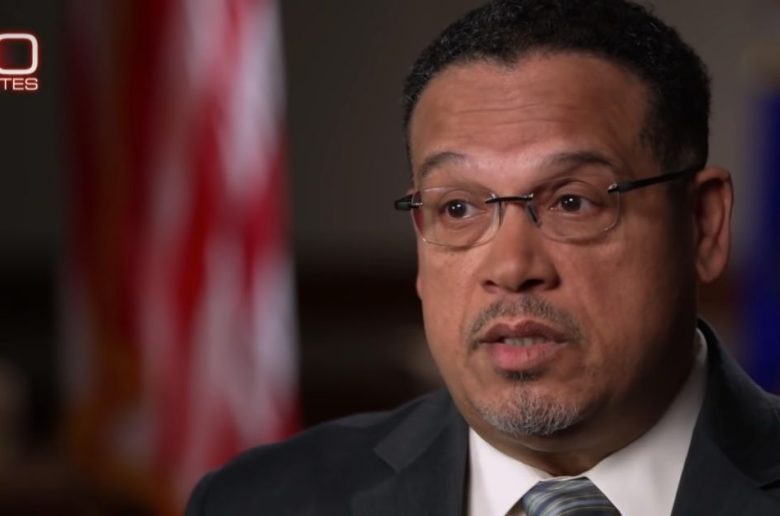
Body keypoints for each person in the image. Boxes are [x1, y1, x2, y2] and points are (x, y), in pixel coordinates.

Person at [186, 1, 780, 514]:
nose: (512, 268)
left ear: (703, 225)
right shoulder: (258, 501)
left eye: (572, 202)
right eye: (458, 208)